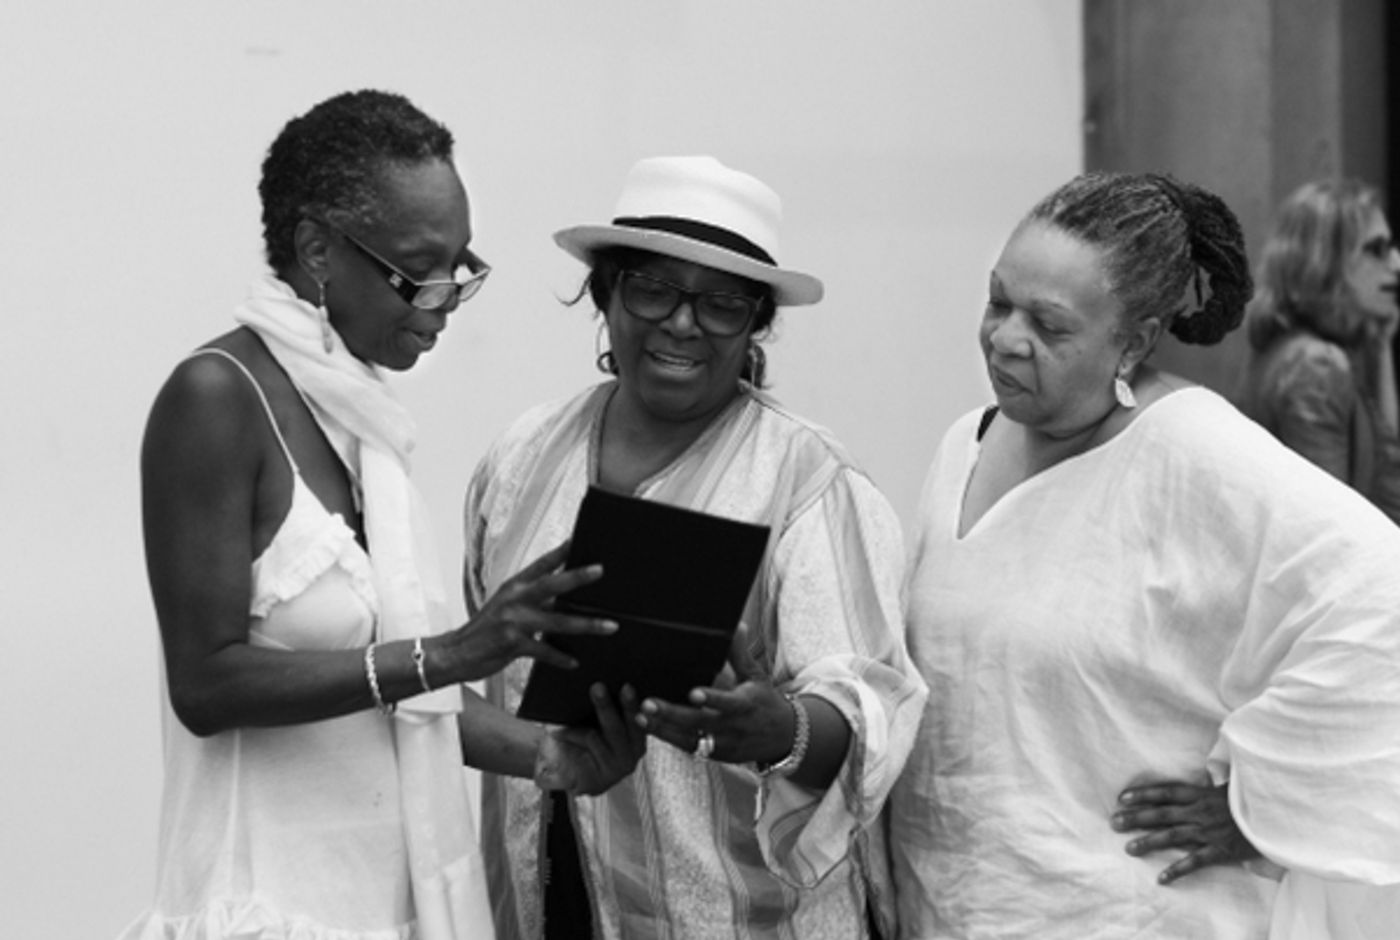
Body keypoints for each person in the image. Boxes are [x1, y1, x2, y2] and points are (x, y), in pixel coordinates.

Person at [120, 90, 640, 940]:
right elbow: (206, 684)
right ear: (317, 249)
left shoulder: (359, 421)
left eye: (461, 268)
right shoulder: (216, 398)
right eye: (418, 271)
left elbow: (399, 697)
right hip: (264, 906)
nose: (441, 301)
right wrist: (452, 651)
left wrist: (555, 757)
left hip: (383, 910)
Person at [888, 170, 1400, 939]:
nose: (1004, 337)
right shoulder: (967, 442)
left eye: (1049, 325)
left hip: (1125, 914)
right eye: (998, 302)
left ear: (1134, 341)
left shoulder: (1192, 451)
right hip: (958, 904)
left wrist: (1260, 809)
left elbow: (1376, 588)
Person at [459, 155, 928, 939]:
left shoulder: (809, 484)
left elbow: (874, 712)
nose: (682, 324)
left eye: (721, 306)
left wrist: (780, 727)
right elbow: (475, 662)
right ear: (605, 294)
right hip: (547, 898)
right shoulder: (521, 458)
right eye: (652, 290)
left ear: (756, 326)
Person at [1235, 178, 1400, 524]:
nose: (1396, 264)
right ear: (1324, 260)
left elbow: (1387, 470)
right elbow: (1330, 528)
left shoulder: (1296, 351)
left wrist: (1381, 348)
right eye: (1376, 249)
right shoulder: (1317, 365)